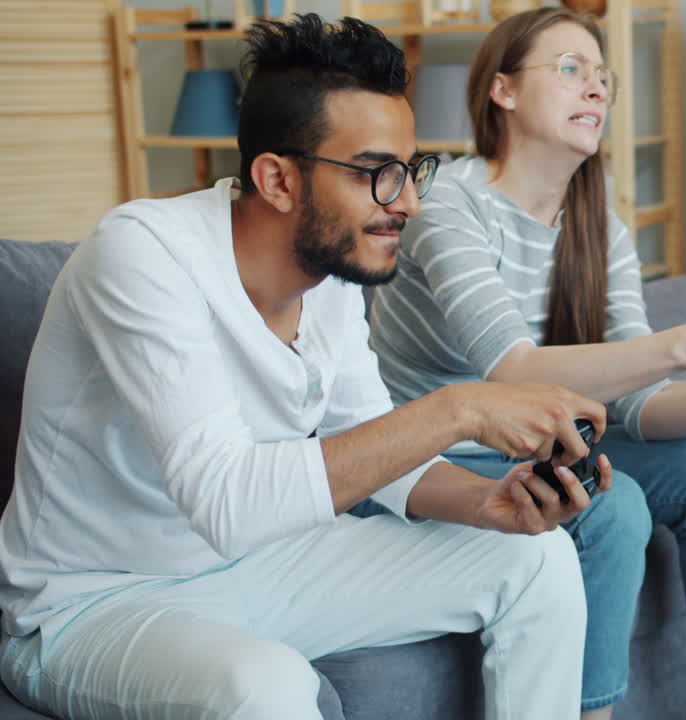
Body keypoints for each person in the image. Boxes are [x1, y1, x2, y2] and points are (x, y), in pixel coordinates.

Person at [0, 14, 614, 720]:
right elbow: (226, 501)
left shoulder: (332, 280)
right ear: (277, 179)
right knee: (267, 685)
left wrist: (484, 502)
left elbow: (379, 444)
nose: (409, 201)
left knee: (537, 560)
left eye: (411, 170)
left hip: (269, 563)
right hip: (93, 603)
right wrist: (462, 408)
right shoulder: (141, 255)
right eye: (377, 174)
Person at [367, 8, 686, 720]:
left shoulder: (597, 221)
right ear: (503, 90)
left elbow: (642, 404)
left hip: (538, 437)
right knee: (613, 506)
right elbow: (511, 371)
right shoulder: (450, 202)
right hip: (439, 453)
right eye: (571, 70)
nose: (598, 89)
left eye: (603, 77)